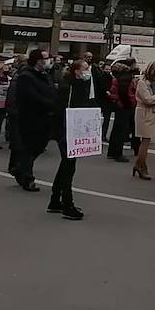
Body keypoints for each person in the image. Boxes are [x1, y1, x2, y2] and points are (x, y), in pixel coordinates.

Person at [49, 59, 94, 220]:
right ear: (77, 71)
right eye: (85, 68)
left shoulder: (76, 85)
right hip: (67, 130)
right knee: (69, 166)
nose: (88, 71)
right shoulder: (68, 88)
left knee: (66, 165)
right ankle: (67, 204)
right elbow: (66, 110)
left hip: (71, 130)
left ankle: (55, 200)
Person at [7, 49, 58, 193]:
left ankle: (19, 168)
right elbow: (30, 96)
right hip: (30, 117)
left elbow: (51, 92)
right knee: (29, 147)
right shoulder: (26, 76)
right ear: (37, 60)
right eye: (46, 58)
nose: (49, 61)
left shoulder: (45, 75)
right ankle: (28, 178)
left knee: (39, 146)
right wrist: (48, 104)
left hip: (45, 117)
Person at [133, 62, 155, 180]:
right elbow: (148, 99)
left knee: (147, 140)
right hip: (144, 113)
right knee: (145, 141)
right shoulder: (142, 82)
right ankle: (141, 165)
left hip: (152, 112)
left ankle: (139, 164)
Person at [106, 61, 138, 161]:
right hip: (125, 105)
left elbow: (115, 92)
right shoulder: (126, 78)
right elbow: (125, 93)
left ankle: (112, 151)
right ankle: (117, 153)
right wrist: (129, 104)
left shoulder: (117, 78)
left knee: (117, 129)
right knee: (121, 130)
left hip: (119, 104)